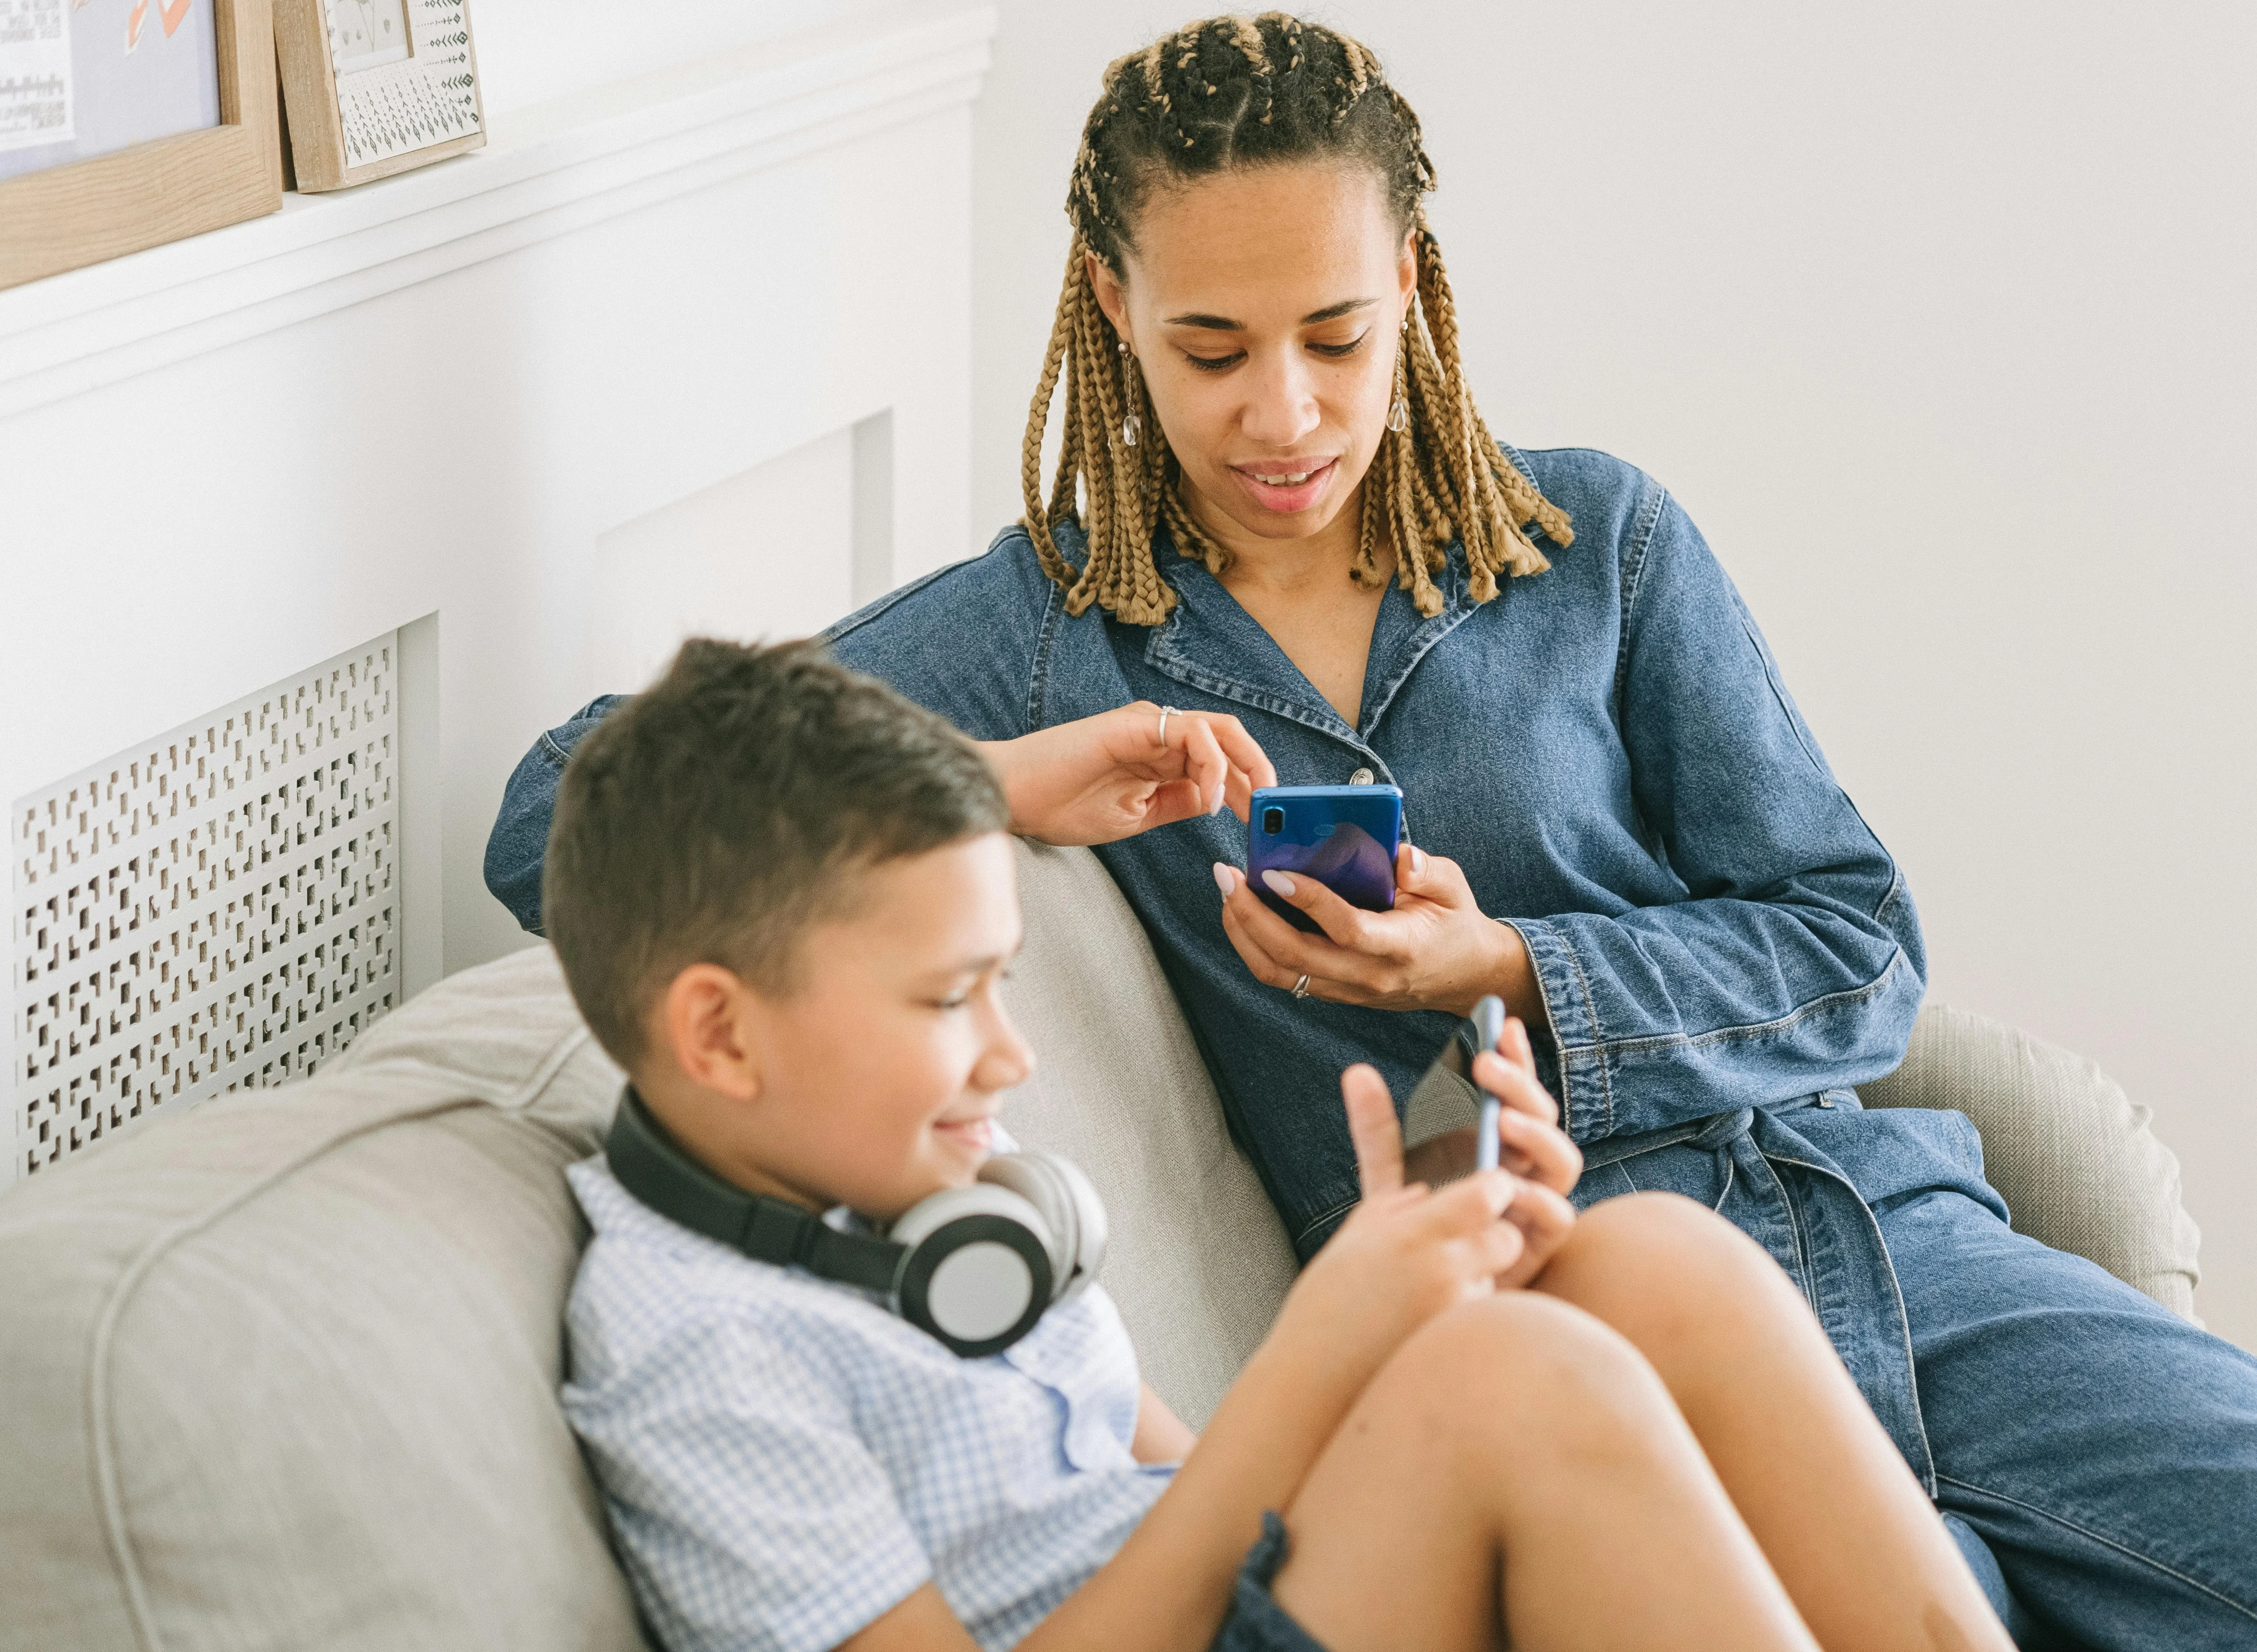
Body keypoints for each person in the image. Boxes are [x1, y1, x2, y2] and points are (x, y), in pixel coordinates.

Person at [491, 14, 2257, 1646]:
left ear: (1413, 282)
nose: (1284, 416)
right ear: (1112, 304)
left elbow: (1857, 943)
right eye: (1211, 349)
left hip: (1880, 1238)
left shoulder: (1596, 543)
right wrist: (1006, 776)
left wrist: (1517, 963)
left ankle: (2175, 1459)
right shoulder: (1032, 638)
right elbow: (566, 806)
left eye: (1337, 337)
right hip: (1543, 1293)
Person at [543, 637, 2014, 1651]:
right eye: (949, 999)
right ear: (721, 1037)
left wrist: (1422, 1291)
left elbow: (1188, 1496)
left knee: (1649, 1258)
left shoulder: (934, 1203)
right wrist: (1329, 1348)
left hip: (1236, 1603)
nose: (1013, 1052)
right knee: (1510, 1378)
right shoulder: (699, 1346)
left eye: (999, 982)